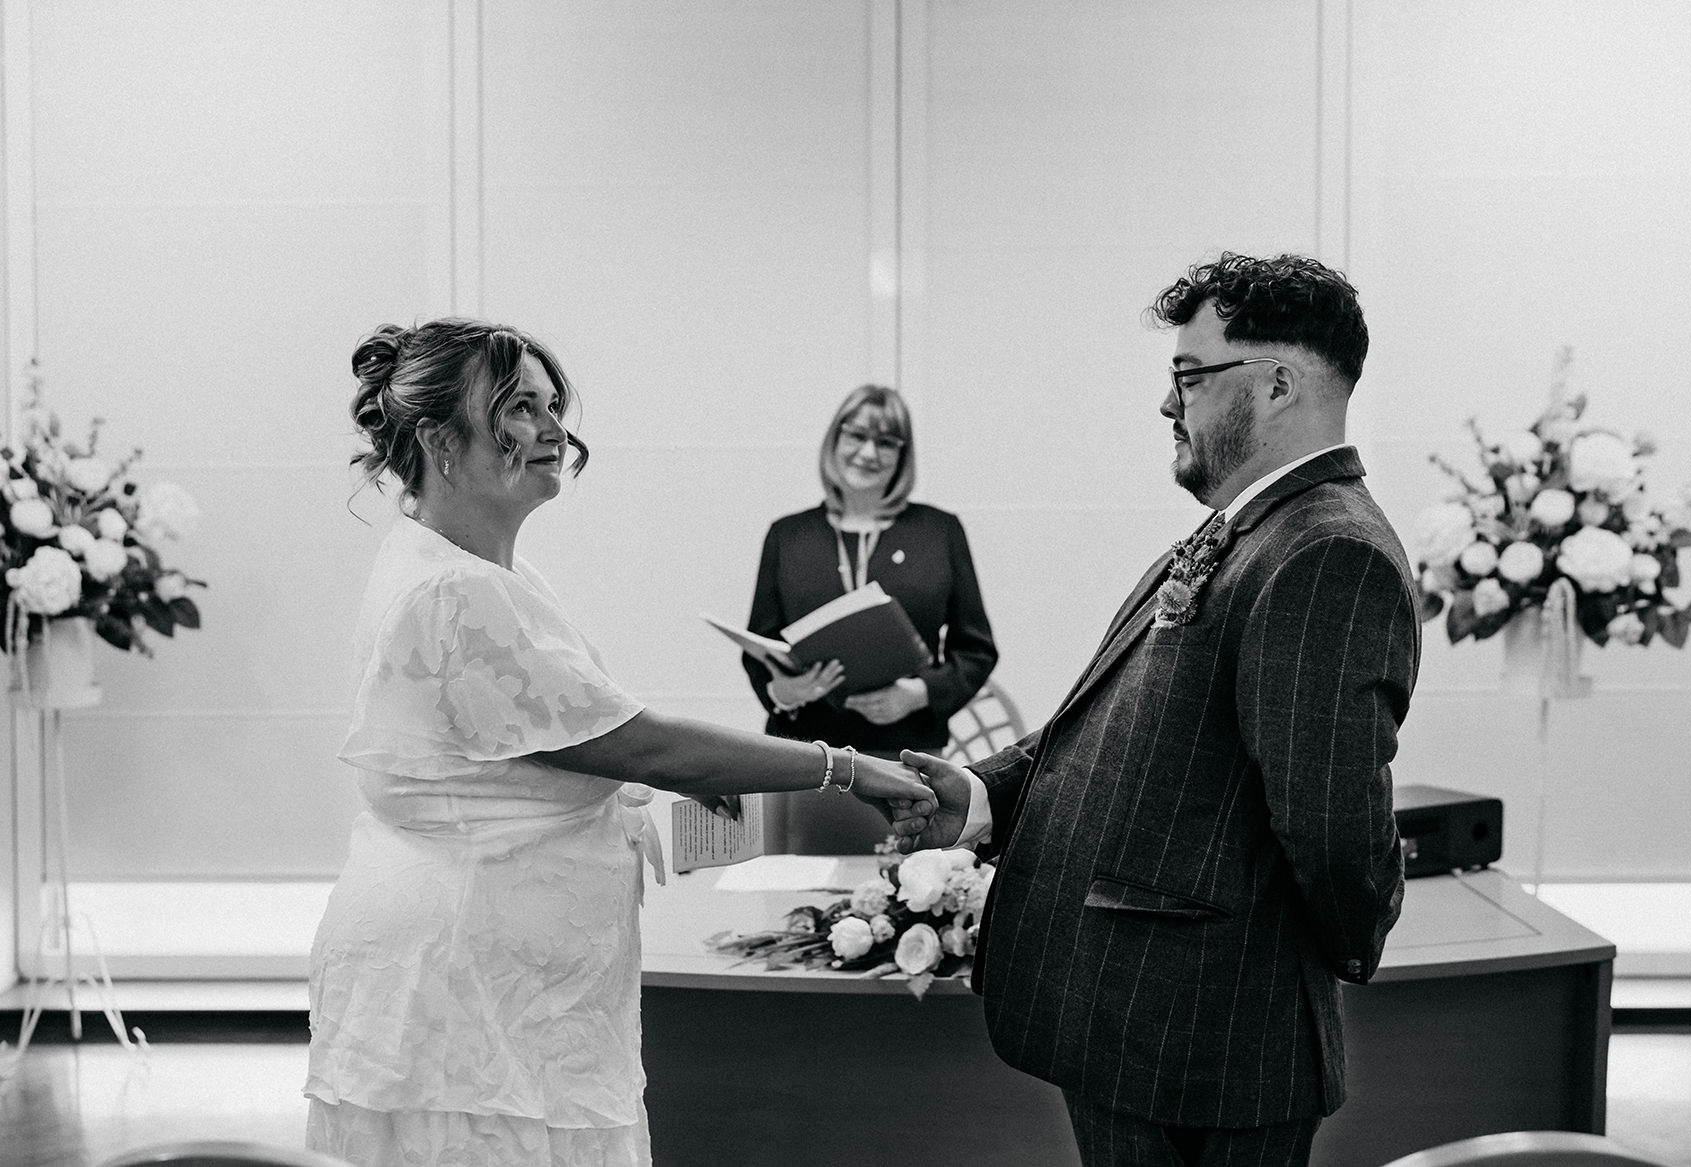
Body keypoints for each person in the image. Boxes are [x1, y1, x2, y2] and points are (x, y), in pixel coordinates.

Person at [304, 319, 933, 1167]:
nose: (555, 430)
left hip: (494, 972)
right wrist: (844, 766)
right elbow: (641, 745)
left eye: (552, 404)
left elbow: (573, 746)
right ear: (438, 441)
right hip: (465, 983)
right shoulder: (453, 590)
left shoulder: (485, 574)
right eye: (519, 407)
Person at [900, 254, 1418, 1167]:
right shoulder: (1251, 529)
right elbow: (1127, 730)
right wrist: (981, 794)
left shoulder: (1328, 552)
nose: (1168, 403)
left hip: (1209, 1030)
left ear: (1277, 384)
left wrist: (1336, 945)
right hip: (1147, 1019)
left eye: (1189, 376)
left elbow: (1331, 820)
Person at [742, 384, 997, 853]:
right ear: (834, 441)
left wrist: (917, 693)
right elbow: (759, 645)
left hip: (905, 756)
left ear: (903, 455)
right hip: (802, 756)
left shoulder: (939, 531)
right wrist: (785, 692)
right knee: (801, 901)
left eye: (886, 442)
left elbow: (976, 649)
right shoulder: (789, 535)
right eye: (856, 435)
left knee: (901, 899)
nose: (868, 452)